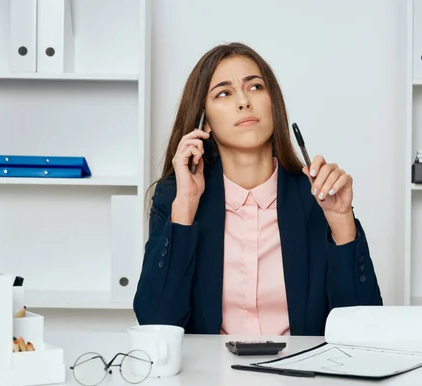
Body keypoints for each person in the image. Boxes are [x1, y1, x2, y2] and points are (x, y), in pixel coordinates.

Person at [133, 42, 382, 336]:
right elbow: (156, 325)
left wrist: (341, 220)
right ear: (205, 122)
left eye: (255, 87)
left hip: (303, 380)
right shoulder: (175, 198)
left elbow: (363, 331)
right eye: (224, 93)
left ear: (273, 104)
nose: (244, 102)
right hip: (207, 379)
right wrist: (185, 205)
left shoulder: (317, 198)